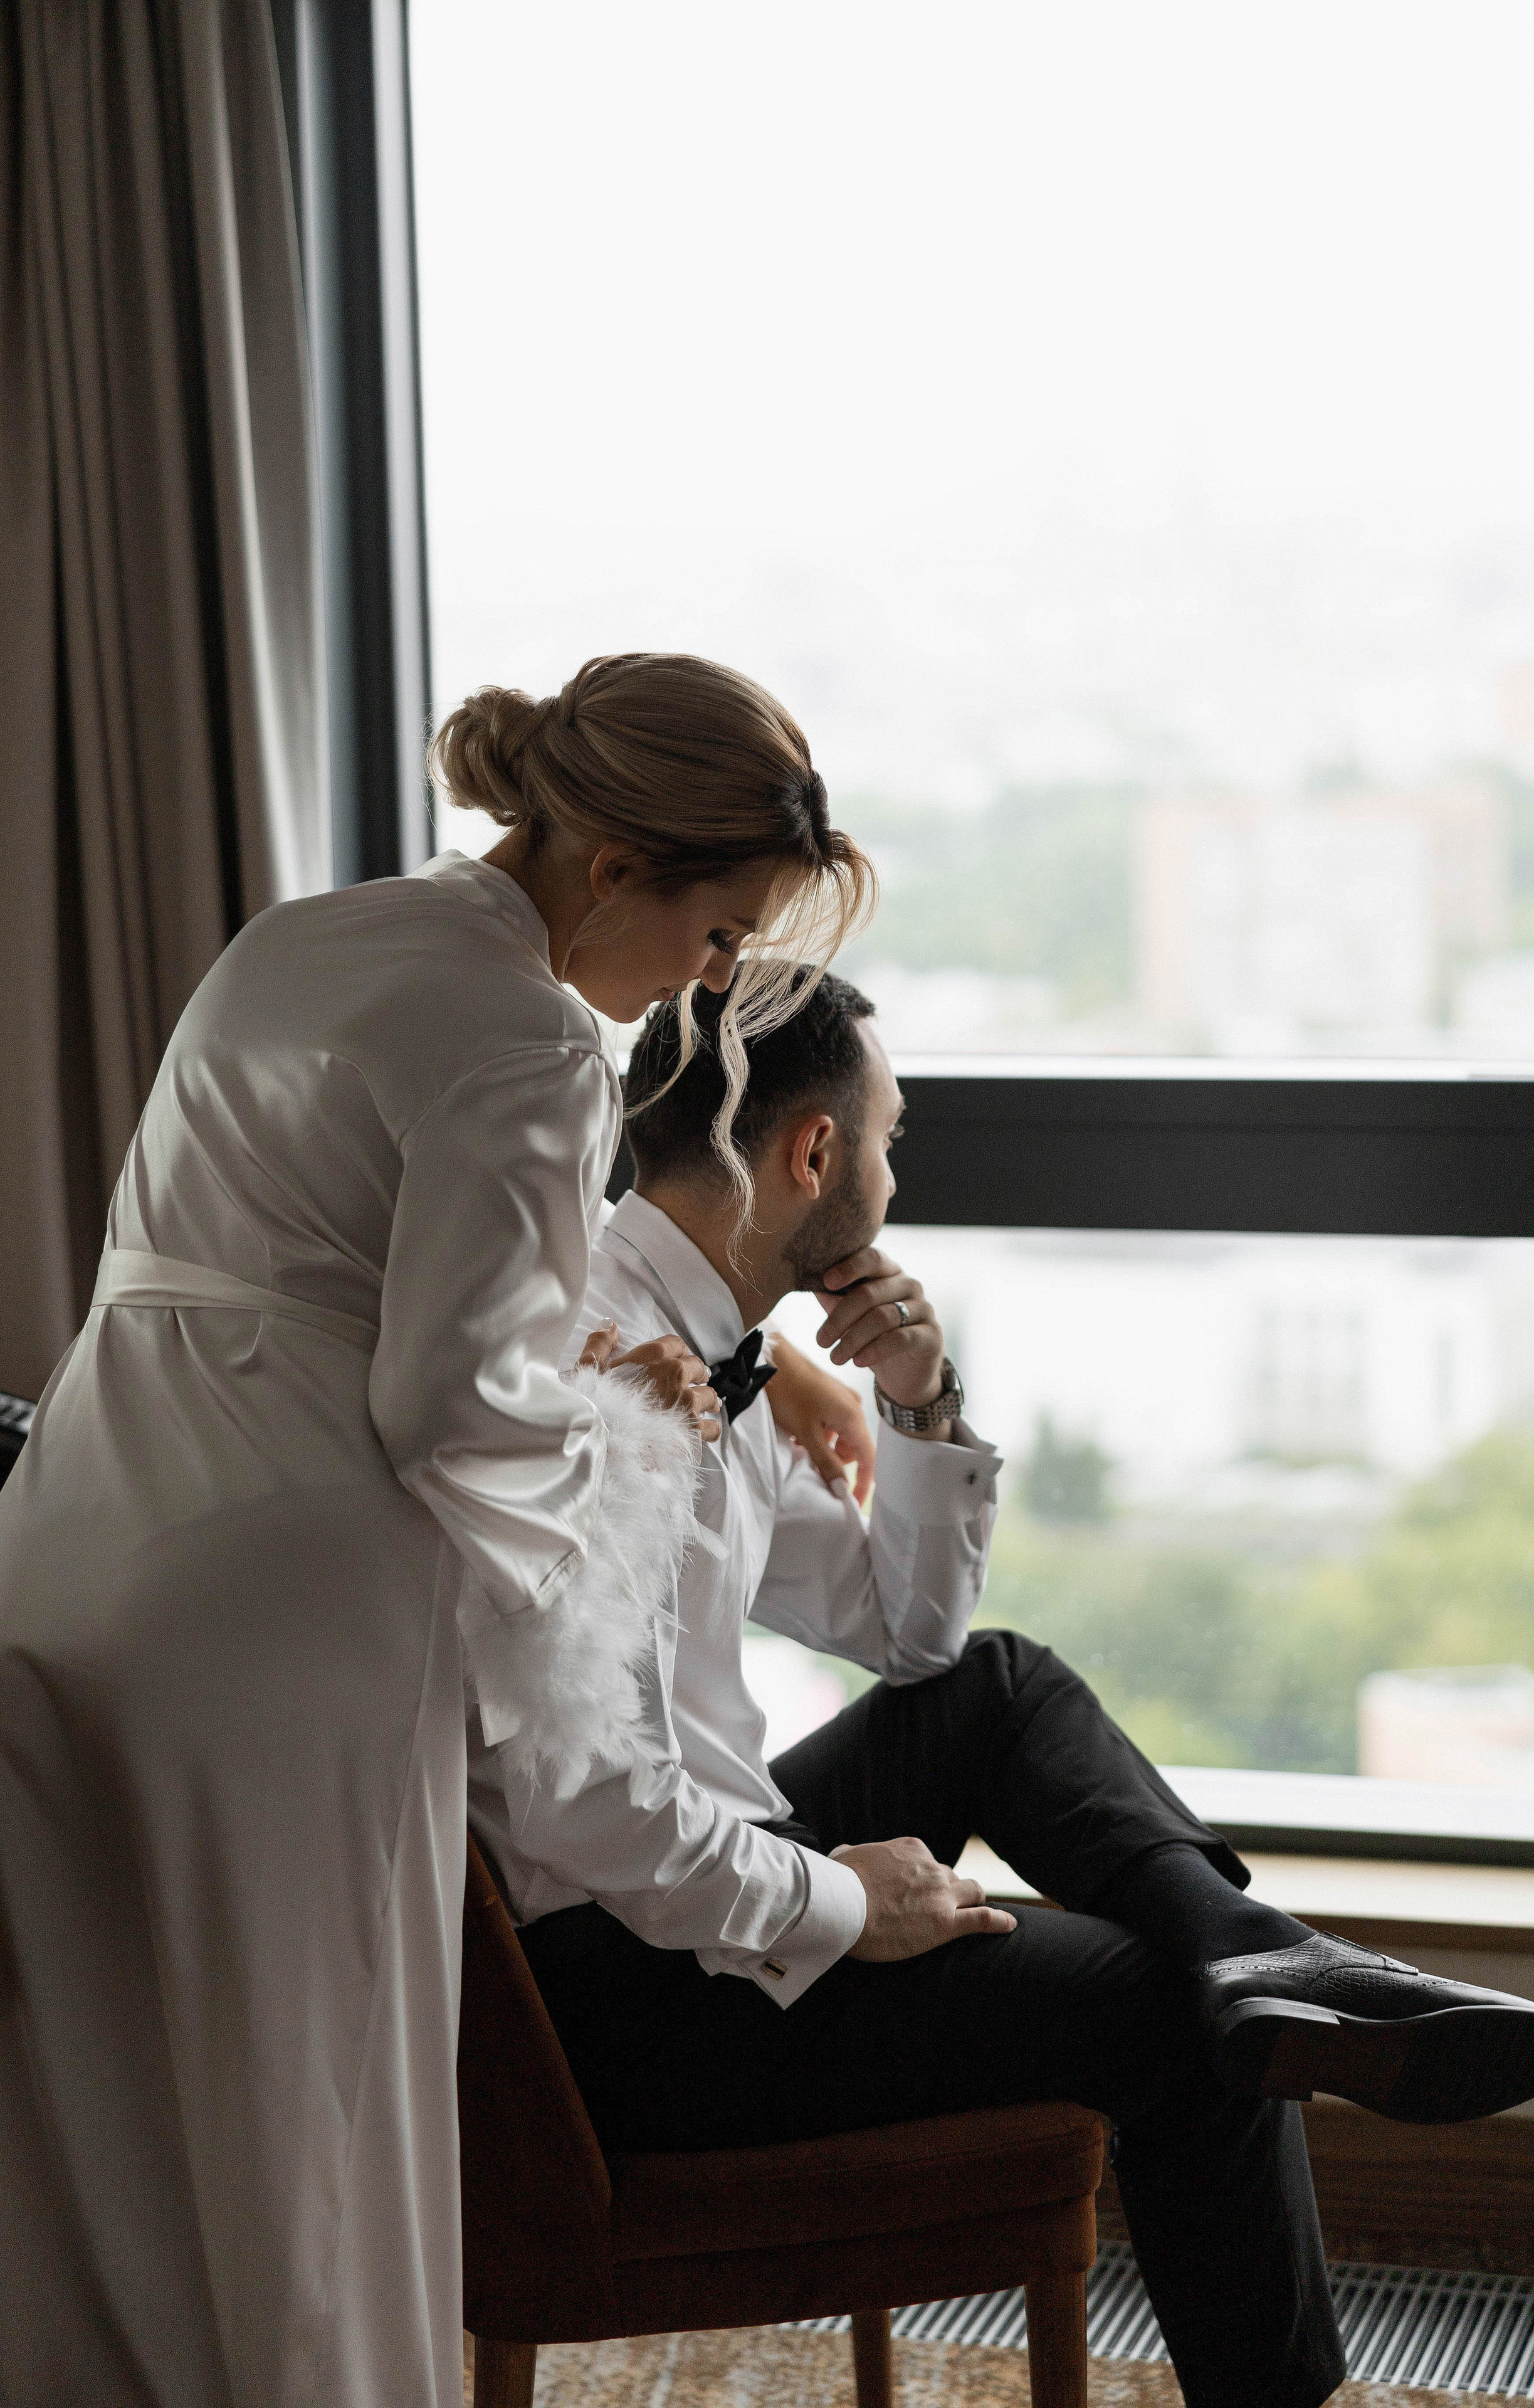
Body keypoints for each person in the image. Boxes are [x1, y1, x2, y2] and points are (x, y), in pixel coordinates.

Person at [0, 655, 875, 2408]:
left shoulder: (303, 936)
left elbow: (330, 1288)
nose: (717, 979)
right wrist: (628, 1545)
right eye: (721, 930)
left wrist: (729, 1373)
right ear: (611, 871)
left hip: (66, 1574)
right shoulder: (529, 1038)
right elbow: (458, 1405)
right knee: (303, 2155)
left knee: (87, 2171)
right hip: (273, 1635)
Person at [476, 970, 1534, 2408]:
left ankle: (1253, 1951)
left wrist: (917, 1399)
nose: (895, 1171)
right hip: (633, 1990)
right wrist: (851, 1904)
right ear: (808, 1158)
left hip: (673, 1885)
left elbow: (902, 1633)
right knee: (1169, 2029)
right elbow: (593, 1810)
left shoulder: (706, 1343)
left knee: (992, 1686)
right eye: (888, 1137)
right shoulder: (609, 1381)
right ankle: (1246, 2085)